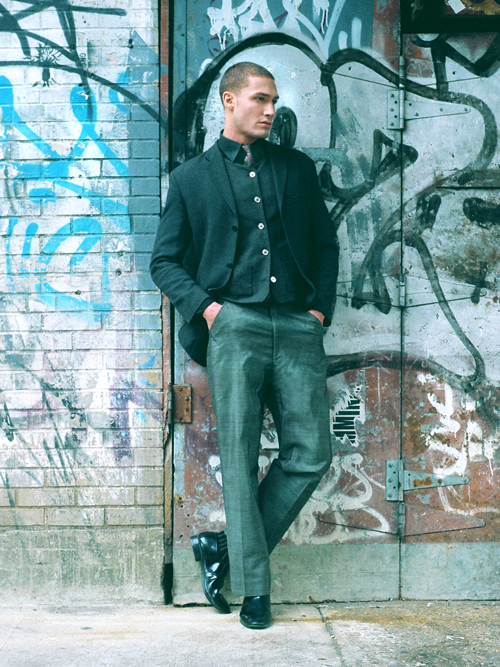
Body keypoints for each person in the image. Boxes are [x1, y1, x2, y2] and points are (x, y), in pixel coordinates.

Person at [150, 61, 339, 629]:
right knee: (238, 456)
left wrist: (318, 311)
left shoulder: (296, 168)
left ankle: (223, 549)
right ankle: (254, 590)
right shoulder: (191, 179)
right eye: (260, 98)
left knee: (311, 452)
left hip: (297, 325)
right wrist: (210, 311)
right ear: (229, 101)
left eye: (274, 100)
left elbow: (325, 246)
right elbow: (163, 261)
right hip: (232, 327)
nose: (271, 109)